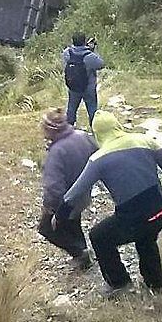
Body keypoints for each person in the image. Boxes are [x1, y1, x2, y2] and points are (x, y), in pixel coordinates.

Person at [56, 111, 162, 298]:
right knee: (146, 239)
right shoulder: (144, 141)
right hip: (159, 211)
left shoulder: (98, 159)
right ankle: (156, 282)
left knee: (99, 236)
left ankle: (119, 283)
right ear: (117, 125)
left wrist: (60, 215)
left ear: (97, 134)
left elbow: (77, 190)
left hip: (132, 217)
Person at [37, 109, 97, 270]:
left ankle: (79, 253)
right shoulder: (83, 136)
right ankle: (83, 253)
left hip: (67, 199)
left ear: (50, 129)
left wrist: (50, 208)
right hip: (84, 193)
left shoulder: (56, 152)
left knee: (46, 228)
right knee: (73, 223)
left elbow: (54, 187)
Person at [63, 33, 104, 127]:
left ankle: (69, 127)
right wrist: (93, 50)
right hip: (88, 87)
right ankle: (94, 128)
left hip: (73, 86)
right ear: (84, 41)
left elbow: (66, 61)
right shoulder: (89, 56)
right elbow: (101, 64)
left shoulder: (67, 53)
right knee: (92, 109)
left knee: (71, 108)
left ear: (73, 41)